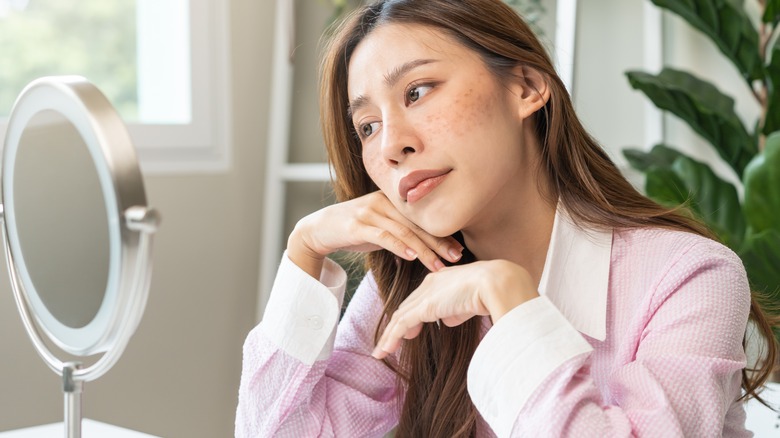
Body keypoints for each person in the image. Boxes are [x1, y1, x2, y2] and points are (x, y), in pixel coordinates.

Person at [236, 0, 779, 436]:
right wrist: (303, 251)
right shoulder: (404, 291)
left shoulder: (690, 278)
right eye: (368, 127)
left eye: (418, 92)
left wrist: (511, 302)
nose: (392, 144)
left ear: (525, 87)